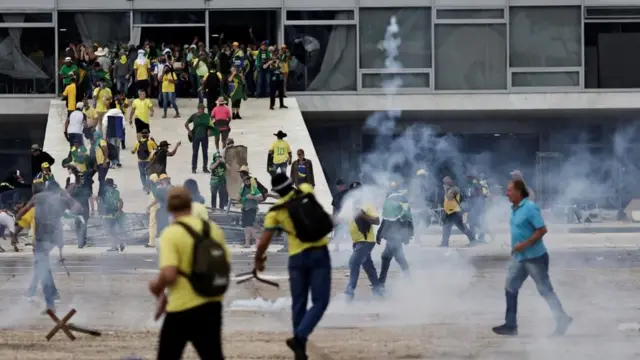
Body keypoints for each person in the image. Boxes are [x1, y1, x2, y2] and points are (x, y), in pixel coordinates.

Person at [255, 173, 331, 360]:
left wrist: (258, 259)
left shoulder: (275, 211)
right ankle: (300, 337)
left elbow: (264, 240)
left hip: (296, 258)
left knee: (299, 304)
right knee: (320, 301)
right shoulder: (305, 191)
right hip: (319, 253)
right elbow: (305, 189)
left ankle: (300, 350)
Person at [149, 186, 229, 360]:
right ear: (190, 205)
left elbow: (169, 274)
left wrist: (155, 287)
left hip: (182, 308)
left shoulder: (171, 234)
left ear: (169, 208)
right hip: (212, 305)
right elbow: (224, 264)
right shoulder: (213, 230)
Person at [492, 179, 572, 337]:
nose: (507, 193)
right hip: (519, 257)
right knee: (510, 287)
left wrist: (525, 244)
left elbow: (542, 230)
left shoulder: (529, 207)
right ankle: (510, 325)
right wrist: (516, 248)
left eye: (509, 190)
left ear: (518, 192)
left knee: (545, 290)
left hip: (534, 257)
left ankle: (562, 319)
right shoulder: (514, 208)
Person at [16, 181, 81, 313]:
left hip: (41, 238)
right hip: (55, 238)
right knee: (44, 268)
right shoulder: (61, 199)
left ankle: (50, 303)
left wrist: (17, 217)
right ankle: (52, 297)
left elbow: (23, 210)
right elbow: (78, 209)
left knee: (42, 268)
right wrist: (67, 198)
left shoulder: (38, 197)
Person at [345, 181, 383, 300]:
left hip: (366, 241)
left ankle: (349, 292)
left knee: (353, 262)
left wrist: (362, 215)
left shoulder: (367, 204)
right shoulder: (350, 206)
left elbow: (377, 221)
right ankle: (379, 290)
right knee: (368, 266)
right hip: (357, 242)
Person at [377, 186, 413, 289]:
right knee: (399, 258)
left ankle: (381, 282)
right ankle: (408, 278)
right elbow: (384, 222)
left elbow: (408, 221)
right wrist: (378, 234)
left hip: (396, 237)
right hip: (392, 237)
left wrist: (407, 236)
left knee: (386, 257)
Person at [440, 176, 476, 247]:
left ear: (451, 181)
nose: (445, 183)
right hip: (448, 212)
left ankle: (473, 240)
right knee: (446, 228)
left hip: (455, 212)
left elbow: (449, 197)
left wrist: (446, 189)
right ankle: (444, 243)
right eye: (444, 182)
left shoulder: (455, 189)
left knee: (462, 228)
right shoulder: (449, 189)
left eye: (446, 181)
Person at [65, 165, 90, 248]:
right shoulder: (85, 187)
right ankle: (82, 240)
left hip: (78, 208)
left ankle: (81, 241)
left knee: (78, 224)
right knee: (83, 224)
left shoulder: (73, 187)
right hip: (84, 207)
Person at [185, 103, 212, 174]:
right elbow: (186, 123)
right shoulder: (194, 116)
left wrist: (209, 131)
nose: (203, 110)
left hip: (204, 136)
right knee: (195, 153)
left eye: (203, 108)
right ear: (198, 109)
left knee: (205, 153)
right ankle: (194, 168)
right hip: (195, 136)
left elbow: (210, 125)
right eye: (201, 108)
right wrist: (189, 131)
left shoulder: (207, 116)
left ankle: (205, 168)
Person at [102, 178, 126, 252]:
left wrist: (118, 211)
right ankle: (117, 244)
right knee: (110, 230)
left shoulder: (110, 193)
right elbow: (121, 202)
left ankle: (116, 245)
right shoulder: (113, 192)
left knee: (110, 230)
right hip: (110, 213)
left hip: (111, 213)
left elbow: (120, 202)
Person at [239, 175, 262, 248]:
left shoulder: (254, 188)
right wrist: (241, 199)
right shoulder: (242, 189)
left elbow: (261, 198)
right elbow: (239, 197)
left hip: (252, 209)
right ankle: (247, 243)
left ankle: (258, 240)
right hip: (245, 209)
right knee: (246, 227)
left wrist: (252, 197)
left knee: (250, 226)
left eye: (248, 181)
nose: (247, 183)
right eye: (246, 182)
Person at [102, 102, 126, 168]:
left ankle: (112, 162)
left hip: (111, 133)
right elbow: (124, 125)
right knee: (117, 147)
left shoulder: (107, 114)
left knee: (112, 148)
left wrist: (104, 136)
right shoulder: (120, 114)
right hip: (118, 133)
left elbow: (105, 125)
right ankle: (118, 161)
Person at [145, 173, 160, 248]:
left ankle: (151, 242)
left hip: (154, 208)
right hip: (158, 208)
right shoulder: (158, 186)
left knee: (152, 225)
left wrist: (148, 207)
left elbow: (156, 199)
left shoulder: (155, 187)